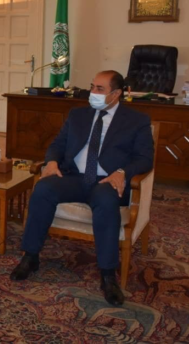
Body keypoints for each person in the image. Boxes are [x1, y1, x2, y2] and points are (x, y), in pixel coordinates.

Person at [10, 70, 154, 306]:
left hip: (106, 180)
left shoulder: (136, 120)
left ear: (116, 94)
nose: (92, 92)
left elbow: (145, 158)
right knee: (43, 189)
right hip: (75, 177)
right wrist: (52, 161)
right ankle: (31, 256)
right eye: (92, 86)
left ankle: (108, 275)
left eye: (100, 89)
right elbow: (57, 144)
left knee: (106, 202)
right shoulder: (77, 115)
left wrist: (122, 172)